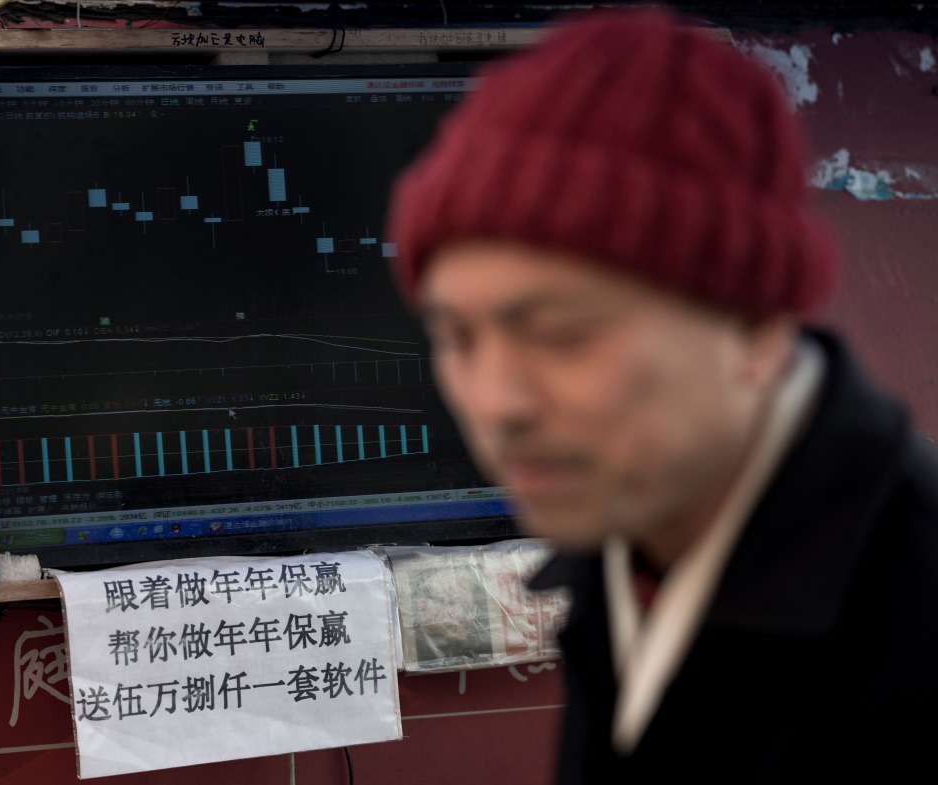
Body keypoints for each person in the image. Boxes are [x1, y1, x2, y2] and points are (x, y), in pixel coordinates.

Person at [387, 8, 938, 783]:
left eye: (563, 332)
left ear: (752, 326)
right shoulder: (623, 560)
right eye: (458, 336)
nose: (497, 401)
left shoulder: (912, 619)